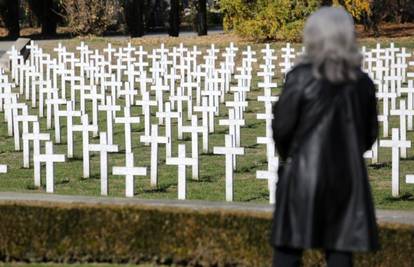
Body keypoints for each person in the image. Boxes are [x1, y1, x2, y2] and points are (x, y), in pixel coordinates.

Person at [270, 7, 379, 267]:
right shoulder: (362, 82)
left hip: (303, 177)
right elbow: (368, 134)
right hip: (347, 178)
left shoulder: (299, 78)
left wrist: (291, 158)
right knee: (341, 250)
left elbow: (282, 129)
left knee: (287, 250)